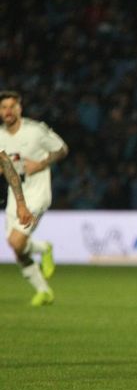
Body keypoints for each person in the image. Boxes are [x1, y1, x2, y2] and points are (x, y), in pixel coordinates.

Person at [0, 91, 67, 306]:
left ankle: (43, 248)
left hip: (38, 192)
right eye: (3, 108)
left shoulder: (35, 131)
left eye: (12, 106)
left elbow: (62, 149)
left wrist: (41, 164)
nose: (8, 111)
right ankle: (44, 289)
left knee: (17, 241)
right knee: (16, 247)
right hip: (15, 192)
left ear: (20, 108)